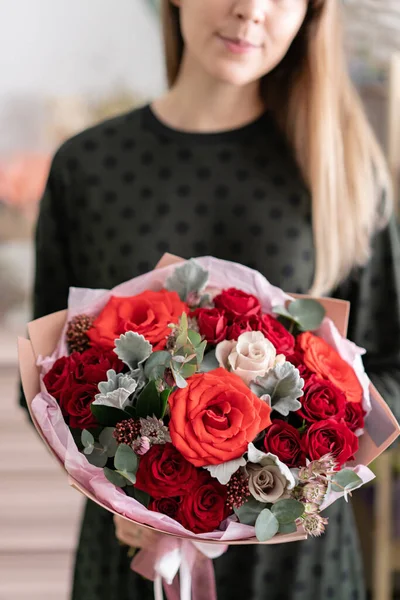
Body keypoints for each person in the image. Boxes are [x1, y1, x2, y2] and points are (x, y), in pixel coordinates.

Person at [20, 1, 400, 599]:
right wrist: (123, 489)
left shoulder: (344, 171)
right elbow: (44, 379)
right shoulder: (88, 168)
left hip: (299, 570)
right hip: (134, 562)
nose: (251, 10)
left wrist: (305, 466)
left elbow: (392, 362)